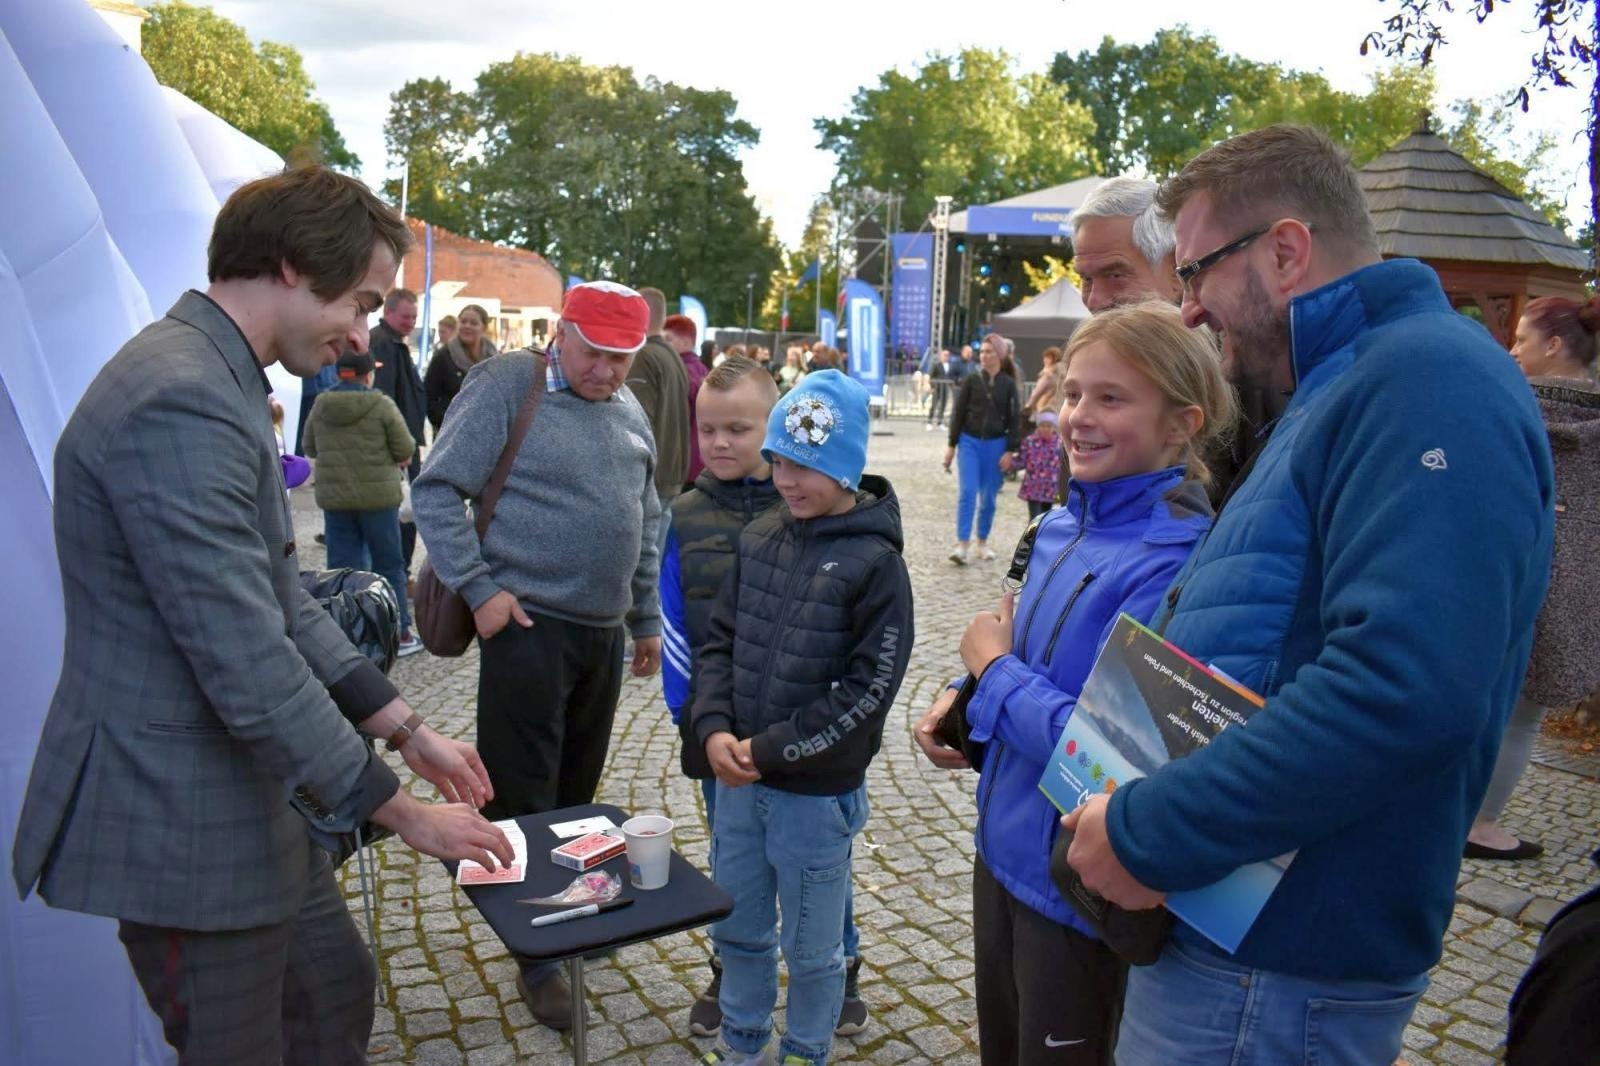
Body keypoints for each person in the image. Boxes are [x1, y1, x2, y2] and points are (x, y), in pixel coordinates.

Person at [1061, 125, 1554, 1066]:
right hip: (1227, 932)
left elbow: (1402, 687)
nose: (1190, 310)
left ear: (1285, 252)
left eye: (1198, 272)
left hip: (1275, 963)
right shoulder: (1349, 380)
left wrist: (1149, 829)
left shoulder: (1427, 379)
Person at [10, 165, 512, 1066]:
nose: (362, 331)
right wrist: (402, 812)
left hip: (242, 795)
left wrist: (408, 731)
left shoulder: (219, 374)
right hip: (181, 820)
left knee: (331, 994)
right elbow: (245, 655)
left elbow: (282, 593)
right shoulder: (180, 394)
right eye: (359, 302)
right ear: (289, 265)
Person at [915, 301, 1233, 1066]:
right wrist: (966, 699)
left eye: (1111, 399)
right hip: (1002, 859)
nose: (1077, 417)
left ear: (1181, 424)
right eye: (1073, 395)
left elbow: (1112, 756)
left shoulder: (1175, 562)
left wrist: (991, 671)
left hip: (1076, 895)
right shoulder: (1060, 525)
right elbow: (1032, 658)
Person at [412, 279, 664, 1030]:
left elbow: (646, 521)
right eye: (595, 353)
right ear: (563, 333)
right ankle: (537, 952)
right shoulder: (505, 384)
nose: (608, 372)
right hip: (524, 625)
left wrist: (645, 615)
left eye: (624, 359)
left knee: (580, 787)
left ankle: (572, 903)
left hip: (601, 631)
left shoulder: (629, 409)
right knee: (525, 792)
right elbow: (436, 489)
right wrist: (482, 589)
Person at [691, 369, 914, 1066]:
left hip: (815, 800)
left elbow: (867, 692)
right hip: (739, 790)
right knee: (740, 931)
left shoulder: (876, 565)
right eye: (780, 461)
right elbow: (719, 644)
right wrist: (714, 728)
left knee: (814, 948)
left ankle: (807, 1048)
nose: (787, 480)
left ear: (845, 466)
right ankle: (743, 1040)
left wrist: (774, 750)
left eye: (806, 466)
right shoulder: (760, 537)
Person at [658, 357, 785, 1037]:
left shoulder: (803, 506)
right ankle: (733, 964)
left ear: (775, 426)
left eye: (740, 427)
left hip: (796, 731)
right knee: (731, 855)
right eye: (710, 428)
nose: (723, 442)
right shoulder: (681, 514)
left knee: (813, 856)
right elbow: (675, 629)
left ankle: (840, 958)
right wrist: (695, 723)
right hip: (718, 731)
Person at [1468, 293, 1600, 859]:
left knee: (1472, 700)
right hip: (1570, 587)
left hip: (1496, 570)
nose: (1513, 349)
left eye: (1522, 338)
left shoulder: (1503, 405)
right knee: (1523, 718)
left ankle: (1451, 813)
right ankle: (1483, 822)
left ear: (1552, 345)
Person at [302, 348, 422, 657]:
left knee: (342, 570)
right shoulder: (381, 405)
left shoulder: (321, 404)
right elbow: (405, 447)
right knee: (389, 566)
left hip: (337, 501)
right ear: (367, 375)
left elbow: (310, 446)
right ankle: (399, 633)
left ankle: (346, 635)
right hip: (378, 501)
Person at [943, 333, 1021, 564]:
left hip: (996, 445)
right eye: (982, 352)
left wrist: (1010, 450)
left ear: (1000, 355)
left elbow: (1014, 419)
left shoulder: (1008, 385)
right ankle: (962, 544)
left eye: (989, 352)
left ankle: (982, 542)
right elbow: (958, 413)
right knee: (967, 492)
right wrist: (951, 445)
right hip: (969, 442)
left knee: (988, 498)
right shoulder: (971, 380)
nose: (984, 356)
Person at [369, 288, 426, 578]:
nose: (411, 322)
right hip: (397, 449)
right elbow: (383, 401)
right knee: (402, 514)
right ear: (388, 312)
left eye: (414, 317)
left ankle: (398, 574)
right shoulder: (381, 345)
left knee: (406, 513)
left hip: (404, 443)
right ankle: (395, 576)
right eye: (406, 316)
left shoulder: (394, 343)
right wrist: (397, 447)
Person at [629, 287, 692, 524]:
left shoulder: (644, 356)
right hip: (671, 472)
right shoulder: (672, 354)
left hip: (652, 480)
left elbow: (636, 421)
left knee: (643, 557)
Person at [425, 302, 498, 435]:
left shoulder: (495, 359)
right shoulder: (443, 356)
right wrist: (447, 422)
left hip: (485, 432)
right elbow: (429, 396)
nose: (467, 326)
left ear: (484, 327)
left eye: (473, 323)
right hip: (450, 433)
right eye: (463, 321)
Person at [664, 312, 709, 486]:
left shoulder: (679, 373)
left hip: (681, 463)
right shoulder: (703, 370)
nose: (664, 345)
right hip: (701, 461)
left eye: (668, 339)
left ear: (685, 342)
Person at [1013, 408, 1063, 520]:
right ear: (1038, 426)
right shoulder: (1030, 442)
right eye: (1042, 425)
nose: (1045, 429)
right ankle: (1033, 537)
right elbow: (1021, 461)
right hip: (1033, 489)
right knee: (1035, 519)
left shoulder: (1059, 444)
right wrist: (1008, 464)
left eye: (1049, 426)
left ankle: (1043, 537)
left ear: (1054, 427)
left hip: (1050, 489)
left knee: (1046, 519)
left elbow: (1064, 466)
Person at [1022, 345, 1063, 422]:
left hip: (1046, 408)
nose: (1044, 360)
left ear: (1053, 359)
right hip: (1061, 408)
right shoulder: (1064, 373)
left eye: (1047, 357)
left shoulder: (1048, 374)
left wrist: (1028, 406)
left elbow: (1037, 392)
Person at [925, 348, 956, 431]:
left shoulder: (951, 365)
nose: (946, 357)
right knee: (934, 405)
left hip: (945, 388)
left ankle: (940, 422)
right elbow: (931, 376)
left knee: (943, 405)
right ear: (941, 356)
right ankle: (929, 422)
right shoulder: (936, 365)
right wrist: (932, 387)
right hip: (937, 388)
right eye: (945, 355)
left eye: (948, 355)